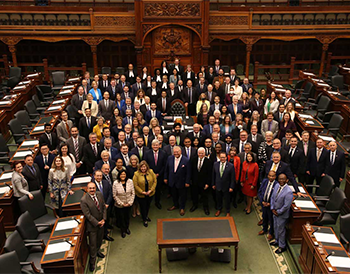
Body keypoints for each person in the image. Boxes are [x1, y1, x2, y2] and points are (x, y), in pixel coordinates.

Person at [80, 182, 106, 272]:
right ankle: (92, 262)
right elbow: (88, 215)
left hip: (101, 223)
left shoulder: (99, 194)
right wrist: (97, 223)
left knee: (99, 240)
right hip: (92, 226)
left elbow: (103, 207)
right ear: (87, 189)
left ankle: (98, 251)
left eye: (93, 188)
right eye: (90, 188)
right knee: (92, 244)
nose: (92, 190)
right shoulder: (84, 200)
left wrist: (104, 219)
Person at [164, 146, 191, 216]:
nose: (176, 153)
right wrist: (165, 178)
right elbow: (166, 169)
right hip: (172, 181)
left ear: (180, 152)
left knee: (182, 195)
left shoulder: (186, 160)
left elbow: (188, 172)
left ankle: (182, 207)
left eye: (177, 152)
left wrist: (187, 182)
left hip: (182, 181)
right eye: (174, 152)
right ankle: (175, 205)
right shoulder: (169, 158)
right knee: (174, 194)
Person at [270, 174, 293, 254]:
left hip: (281, 215)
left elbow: (286, 206)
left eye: (283, 179)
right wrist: (272, 208)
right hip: (274, 211)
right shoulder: (276, 185)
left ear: (286, 180)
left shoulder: (289, 192)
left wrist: (278, 212)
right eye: (280, 179)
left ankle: (282, 246)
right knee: (275, 227)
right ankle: (277, 240)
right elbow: (272, 197)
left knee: (281, 230)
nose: (281, 181)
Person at [144, 139, 167, 209]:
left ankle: (157, 202)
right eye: (154, 145)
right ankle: (148, 203)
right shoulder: (147, 153)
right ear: (151, 146)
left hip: (159, 175)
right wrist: (152, 174)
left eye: (157, 145)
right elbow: (145, 164)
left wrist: (158, 174)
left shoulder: (163, 153)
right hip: (149, 175)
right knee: (149, 189)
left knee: (158, 190)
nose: (155, 146)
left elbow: (164, 165)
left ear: (159, 145)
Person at [133, 161, 157, 227]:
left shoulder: (151, 172)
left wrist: (151, 190)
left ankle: (146, 216)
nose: (143, 168)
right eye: (142, 167)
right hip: (141, 194)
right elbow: (135, 185)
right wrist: (142, 192)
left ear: (147, 167)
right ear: (139, 167)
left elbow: (155, 181)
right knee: (143, 207)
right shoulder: (136, 174)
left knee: (148, 206)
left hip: (150, 193)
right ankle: (144, 219)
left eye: (144, 167)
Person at [92, 170, 114, 241]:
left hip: (107, 206)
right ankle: (103, 235)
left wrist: (107, 203)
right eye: (97, 176)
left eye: (100, 176)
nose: (99, 177)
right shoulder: (92, 185)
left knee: (106, 219)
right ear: (94, 176)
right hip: (98, 208)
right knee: (101, 221)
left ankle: (106, 230)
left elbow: (110, 193)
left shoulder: (106, 182)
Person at [113, 170, 135, 238]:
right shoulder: (115, 183)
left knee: (127, 217)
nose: (123, 176)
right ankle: (123, 230)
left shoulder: (130, 181)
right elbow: (114, 195)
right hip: (119, 205)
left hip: (128, 204)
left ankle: (127, 228)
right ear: (119, 175)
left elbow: (133, 193)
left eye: (124, 174)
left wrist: (130, 202)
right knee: (121, 218)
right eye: (121, 174)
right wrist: (122, 204)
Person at [212, 152, 235, 217]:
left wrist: (231, 187)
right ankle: (219, 209)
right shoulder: (215, 164)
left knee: (227, 200)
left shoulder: (230, 166)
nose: (222, 159)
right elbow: (213, 175)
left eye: (223, 157)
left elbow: (232, 178)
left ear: (226, 157)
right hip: (218, 185)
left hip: (226, 186)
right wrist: (213, 184)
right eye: (221, 157)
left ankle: (227, 211)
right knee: (218, 199)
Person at [190, 147, 211, 215]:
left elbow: (209, 174)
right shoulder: (193, 160)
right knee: (194, 195)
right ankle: (195, 205)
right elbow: (191, 171)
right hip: (195, 182)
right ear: (197, 153)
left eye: (202, 153)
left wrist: (207, 183)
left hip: (204, 183)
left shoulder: (208, 162)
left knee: (205, 196)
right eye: (199, 153)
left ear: (204, 153)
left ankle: (206, 208)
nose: (201, 154)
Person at [258, 170, 278, 241]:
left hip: (271, 206)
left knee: (271, 219)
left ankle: (270, 233)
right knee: (264, 217)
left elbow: (277, 198)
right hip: (263, 204)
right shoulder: (265, 181)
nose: (271, 177)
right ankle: (264, 229)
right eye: (270, 175)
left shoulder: (277, 185)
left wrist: (271, 204)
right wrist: (262, 201)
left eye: (273, 176)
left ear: (275, 177)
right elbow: (260, 192)